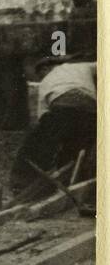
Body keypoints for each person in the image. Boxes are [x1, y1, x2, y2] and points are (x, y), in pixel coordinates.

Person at [11, 55, 96, 196]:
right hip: (91, 108)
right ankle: (73, 181)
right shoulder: (83, 66)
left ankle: (22, 183)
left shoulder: (46, 82)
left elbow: (43, 114)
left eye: (40, 74)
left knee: (35, 145)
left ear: (46, 68)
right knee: (77, 145)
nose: (41, 78)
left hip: (63, 104)